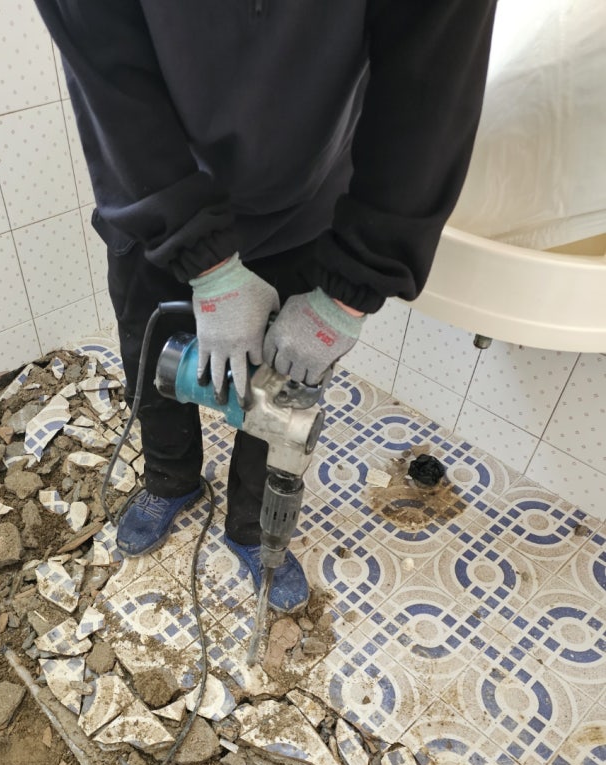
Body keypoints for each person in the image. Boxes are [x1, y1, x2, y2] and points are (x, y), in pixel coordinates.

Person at [33, 0, 497, 613]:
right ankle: (170, 480)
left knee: (283, 392)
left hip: (305, 202)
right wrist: (205, 265)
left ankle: (252, 525)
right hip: (156, 192)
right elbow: (108, 79)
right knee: (154, 361)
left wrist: (347, 294)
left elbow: (430, 91)